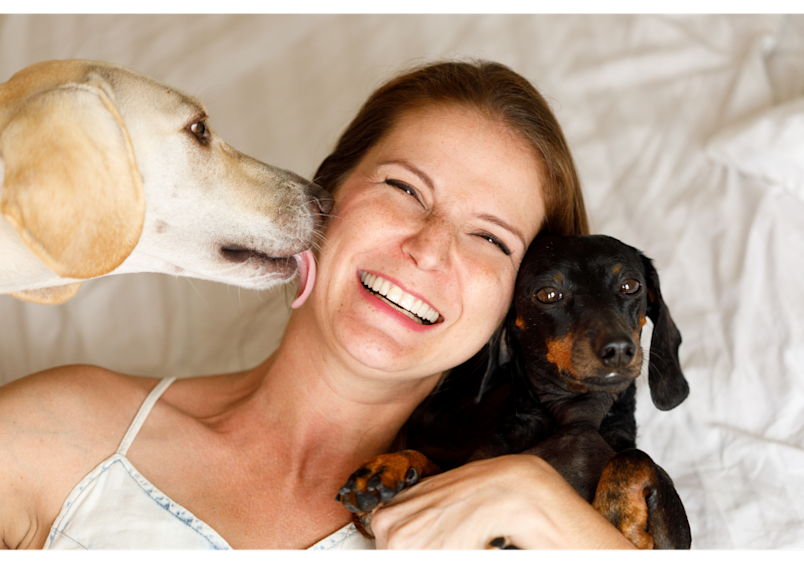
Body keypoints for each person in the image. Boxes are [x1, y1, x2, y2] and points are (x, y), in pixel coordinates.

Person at [0, 60, 634, 550]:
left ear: (521, 307)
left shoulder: (525, 526)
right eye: (404, 188)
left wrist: (537, 504)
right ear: (327, 193)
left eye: (491, 239)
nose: (429, 249)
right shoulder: (60, 432)